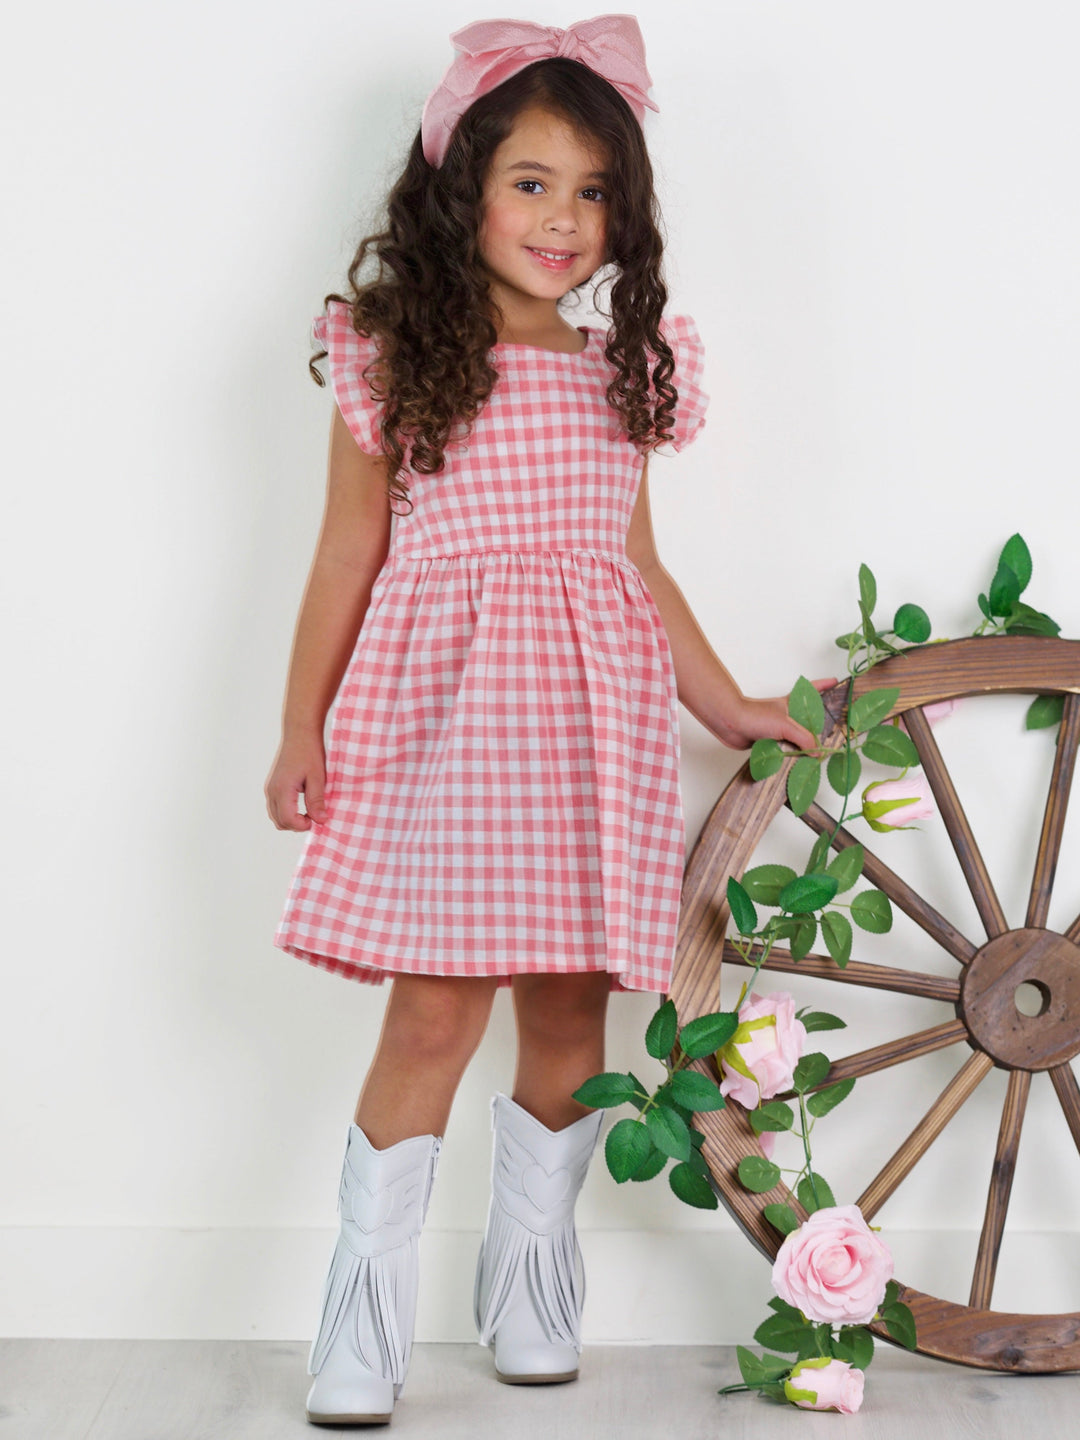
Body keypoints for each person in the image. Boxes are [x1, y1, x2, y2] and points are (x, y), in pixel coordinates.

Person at [264, 15, 831, 1427]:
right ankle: (362, 1316)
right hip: (449, 735)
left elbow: (634, 566)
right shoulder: (396, 360)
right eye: (531, 182)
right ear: (462, 188)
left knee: (572, 1010)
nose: (563, 218)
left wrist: (726, 701)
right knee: (433, 1012)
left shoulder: (620, 370)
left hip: (591, 732)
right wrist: (300, 728)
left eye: (592, 191)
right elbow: (343, 557)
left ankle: (530, 1285)